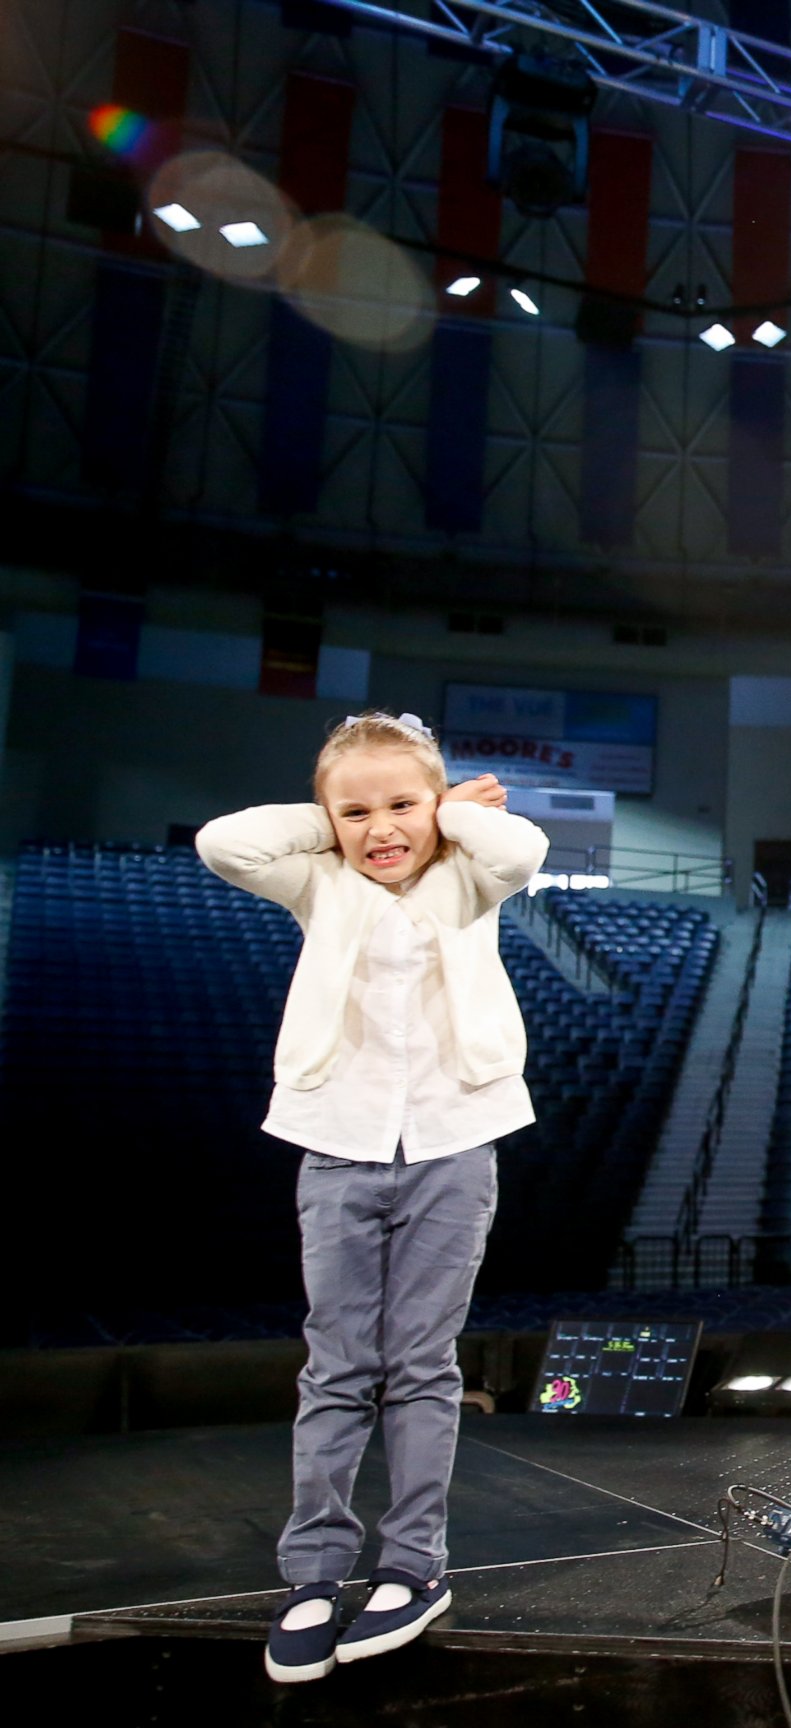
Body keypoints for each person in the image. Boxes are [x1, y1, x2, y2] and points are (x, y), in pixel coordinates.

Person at [198, 712, 547, 1686]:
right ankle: (313, 1575)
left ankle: (413, 1568)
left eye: (402, 804)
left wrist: (444, 820)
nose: (380, 826)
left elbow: (522, 844)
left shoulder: (467, 879)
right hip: (338, 1148)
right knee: (338, 1367)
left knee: (422, 1365)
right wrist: (335, 820)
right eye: (356, 810)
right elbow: (223, 841)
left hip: (453, 1149)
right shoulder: (320, 882)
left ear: (436, 807)